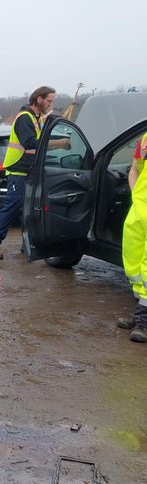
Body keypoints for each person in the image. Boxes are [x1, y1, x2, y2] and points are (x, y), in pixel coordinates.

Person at [0, 86, 70, 260]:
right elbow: (31, 143)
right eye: (49, 101)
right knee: (13, 204)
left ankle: (27, 244)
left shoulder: (35, 118)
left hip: (29, 170)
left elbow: (39, 142)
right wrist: (59, 143)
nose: (50, 104)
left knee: (29, 209)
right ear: (39, 99)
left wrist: (59, 142)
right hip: (18, 169)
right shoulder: (25, 118)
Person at [117, 131, 147, 343]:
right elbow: (135, 169)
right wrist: (137, 198)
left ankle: (143, 321)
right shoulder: (145, 138)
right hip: (140, 211)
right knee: (133, 262)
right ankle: (140, 313)